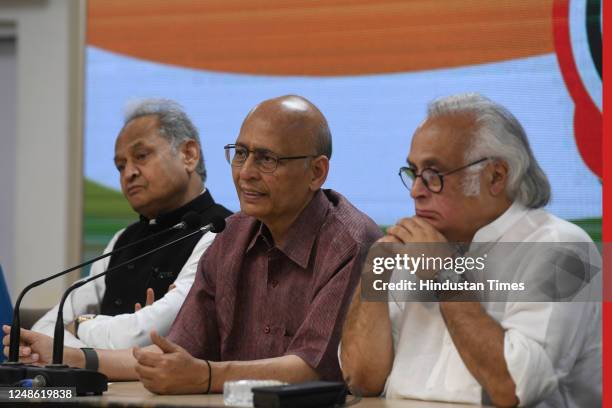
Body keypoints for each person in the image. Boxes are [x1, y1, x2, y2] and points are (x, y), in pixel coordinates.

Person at [4, 95, 382, 394]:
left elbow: (313, 368)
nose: (246, 172)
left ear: (316, 172)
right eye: (241, 153)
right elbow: (175, 354)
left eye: (266, 159)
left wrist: (204, 377)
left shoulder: (350, 242)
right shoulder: (230, 235)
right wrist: (69, 357)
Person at [340, 93, 601, 407]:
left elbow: (512, 390)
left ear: (495, 176)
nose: (416, 191)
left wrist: (446, 276)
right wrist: (375, 274)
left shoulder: (567, 250)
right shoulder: (415, 248)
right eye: (413, 172)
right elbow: (361, 380)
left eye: (434, 175)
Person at [30, 99, 231, 349]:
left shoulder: (221, 230)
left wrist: (80, 326)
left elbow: (146, 334)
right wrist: (86, 346)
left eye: (141, 156)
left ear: (188, 155)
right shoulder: (123, 239)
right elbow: (45, 328)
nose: (128, 173)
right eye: (120, 166)